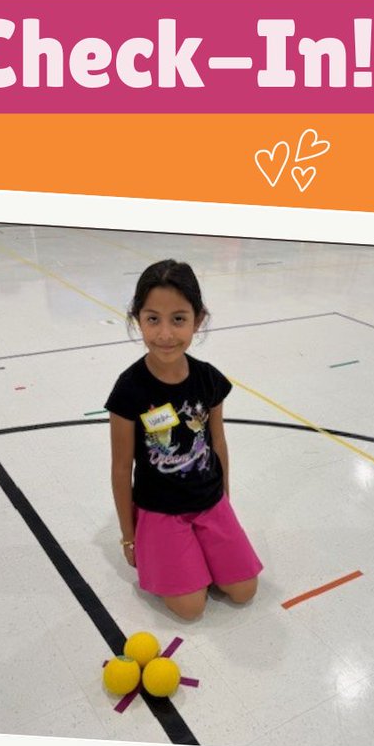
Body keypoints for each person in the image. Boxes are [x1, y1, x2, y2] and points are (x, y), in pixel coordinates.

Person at [106, 259, 262, 621]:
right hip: (160, 510)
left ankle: (200, 549)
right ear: (138, 319)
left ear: (198, 319)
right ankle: (173, 552)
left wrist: (224, 501)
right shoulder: (129, 389)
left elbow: (218, 443)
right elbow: (121, 468)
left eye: (178, 319)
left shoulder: (208, 379)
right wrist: (129, 536)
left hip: (209, 502)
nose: (165, 334)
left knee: (244, 590)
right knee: (191, 608)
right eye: (153, 319)